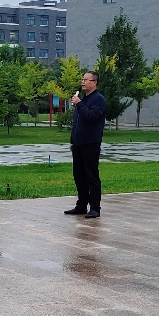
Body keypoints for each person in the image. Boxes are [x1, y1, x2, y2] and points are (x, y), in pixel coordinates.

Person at [64, 70, 105, 219]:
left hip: (90, 143)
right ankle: (81, 205)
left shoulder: (98, 99)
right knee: (79, 176)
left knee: (91, 176)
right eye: (82, 79)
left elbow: (91, 117)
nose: (83, 82)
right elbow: (77, 122)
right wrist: (73, 140)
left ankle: (95, 208)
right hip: (78, 144)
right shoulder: (83, 99)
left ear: (94, 83)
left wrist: (79, 104)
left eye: (86, 80)